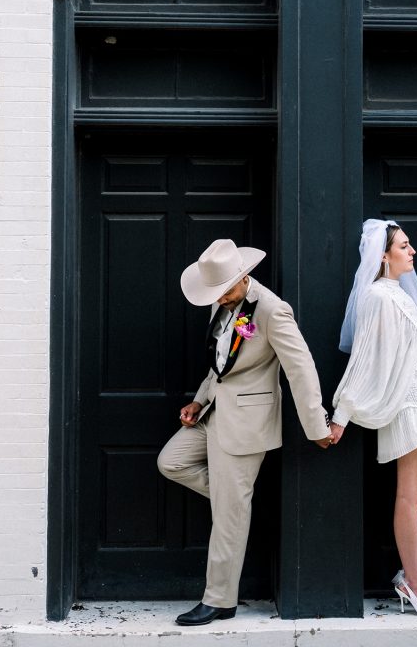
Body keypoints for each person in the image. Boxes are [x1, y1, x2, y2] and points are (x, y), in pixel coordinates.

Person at [157, 237, 333, 627]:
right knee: (171, 462)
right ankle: (237, 503)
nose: (218, 299)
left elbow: (301, 369)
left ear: (243, 277)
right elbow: (219, 366)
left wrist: (316, 426)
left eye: (223, 291)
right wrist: (199, 401)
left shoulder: (272, 311)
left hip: (247, 424)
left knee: (227, 515)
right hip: (214, 415)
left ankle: (219, 600)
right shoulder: (222, 305)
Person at [329, 219, 417, 618]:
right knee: (412, 495)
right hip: (406, 406)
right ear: (383, 256)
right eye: (404, 246)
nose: (412, 252)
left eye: (409, 245)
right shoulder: (377, 296)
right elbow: (365, 358)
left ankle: (414, 574)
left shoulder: (402, 294)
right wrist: (342, 413)